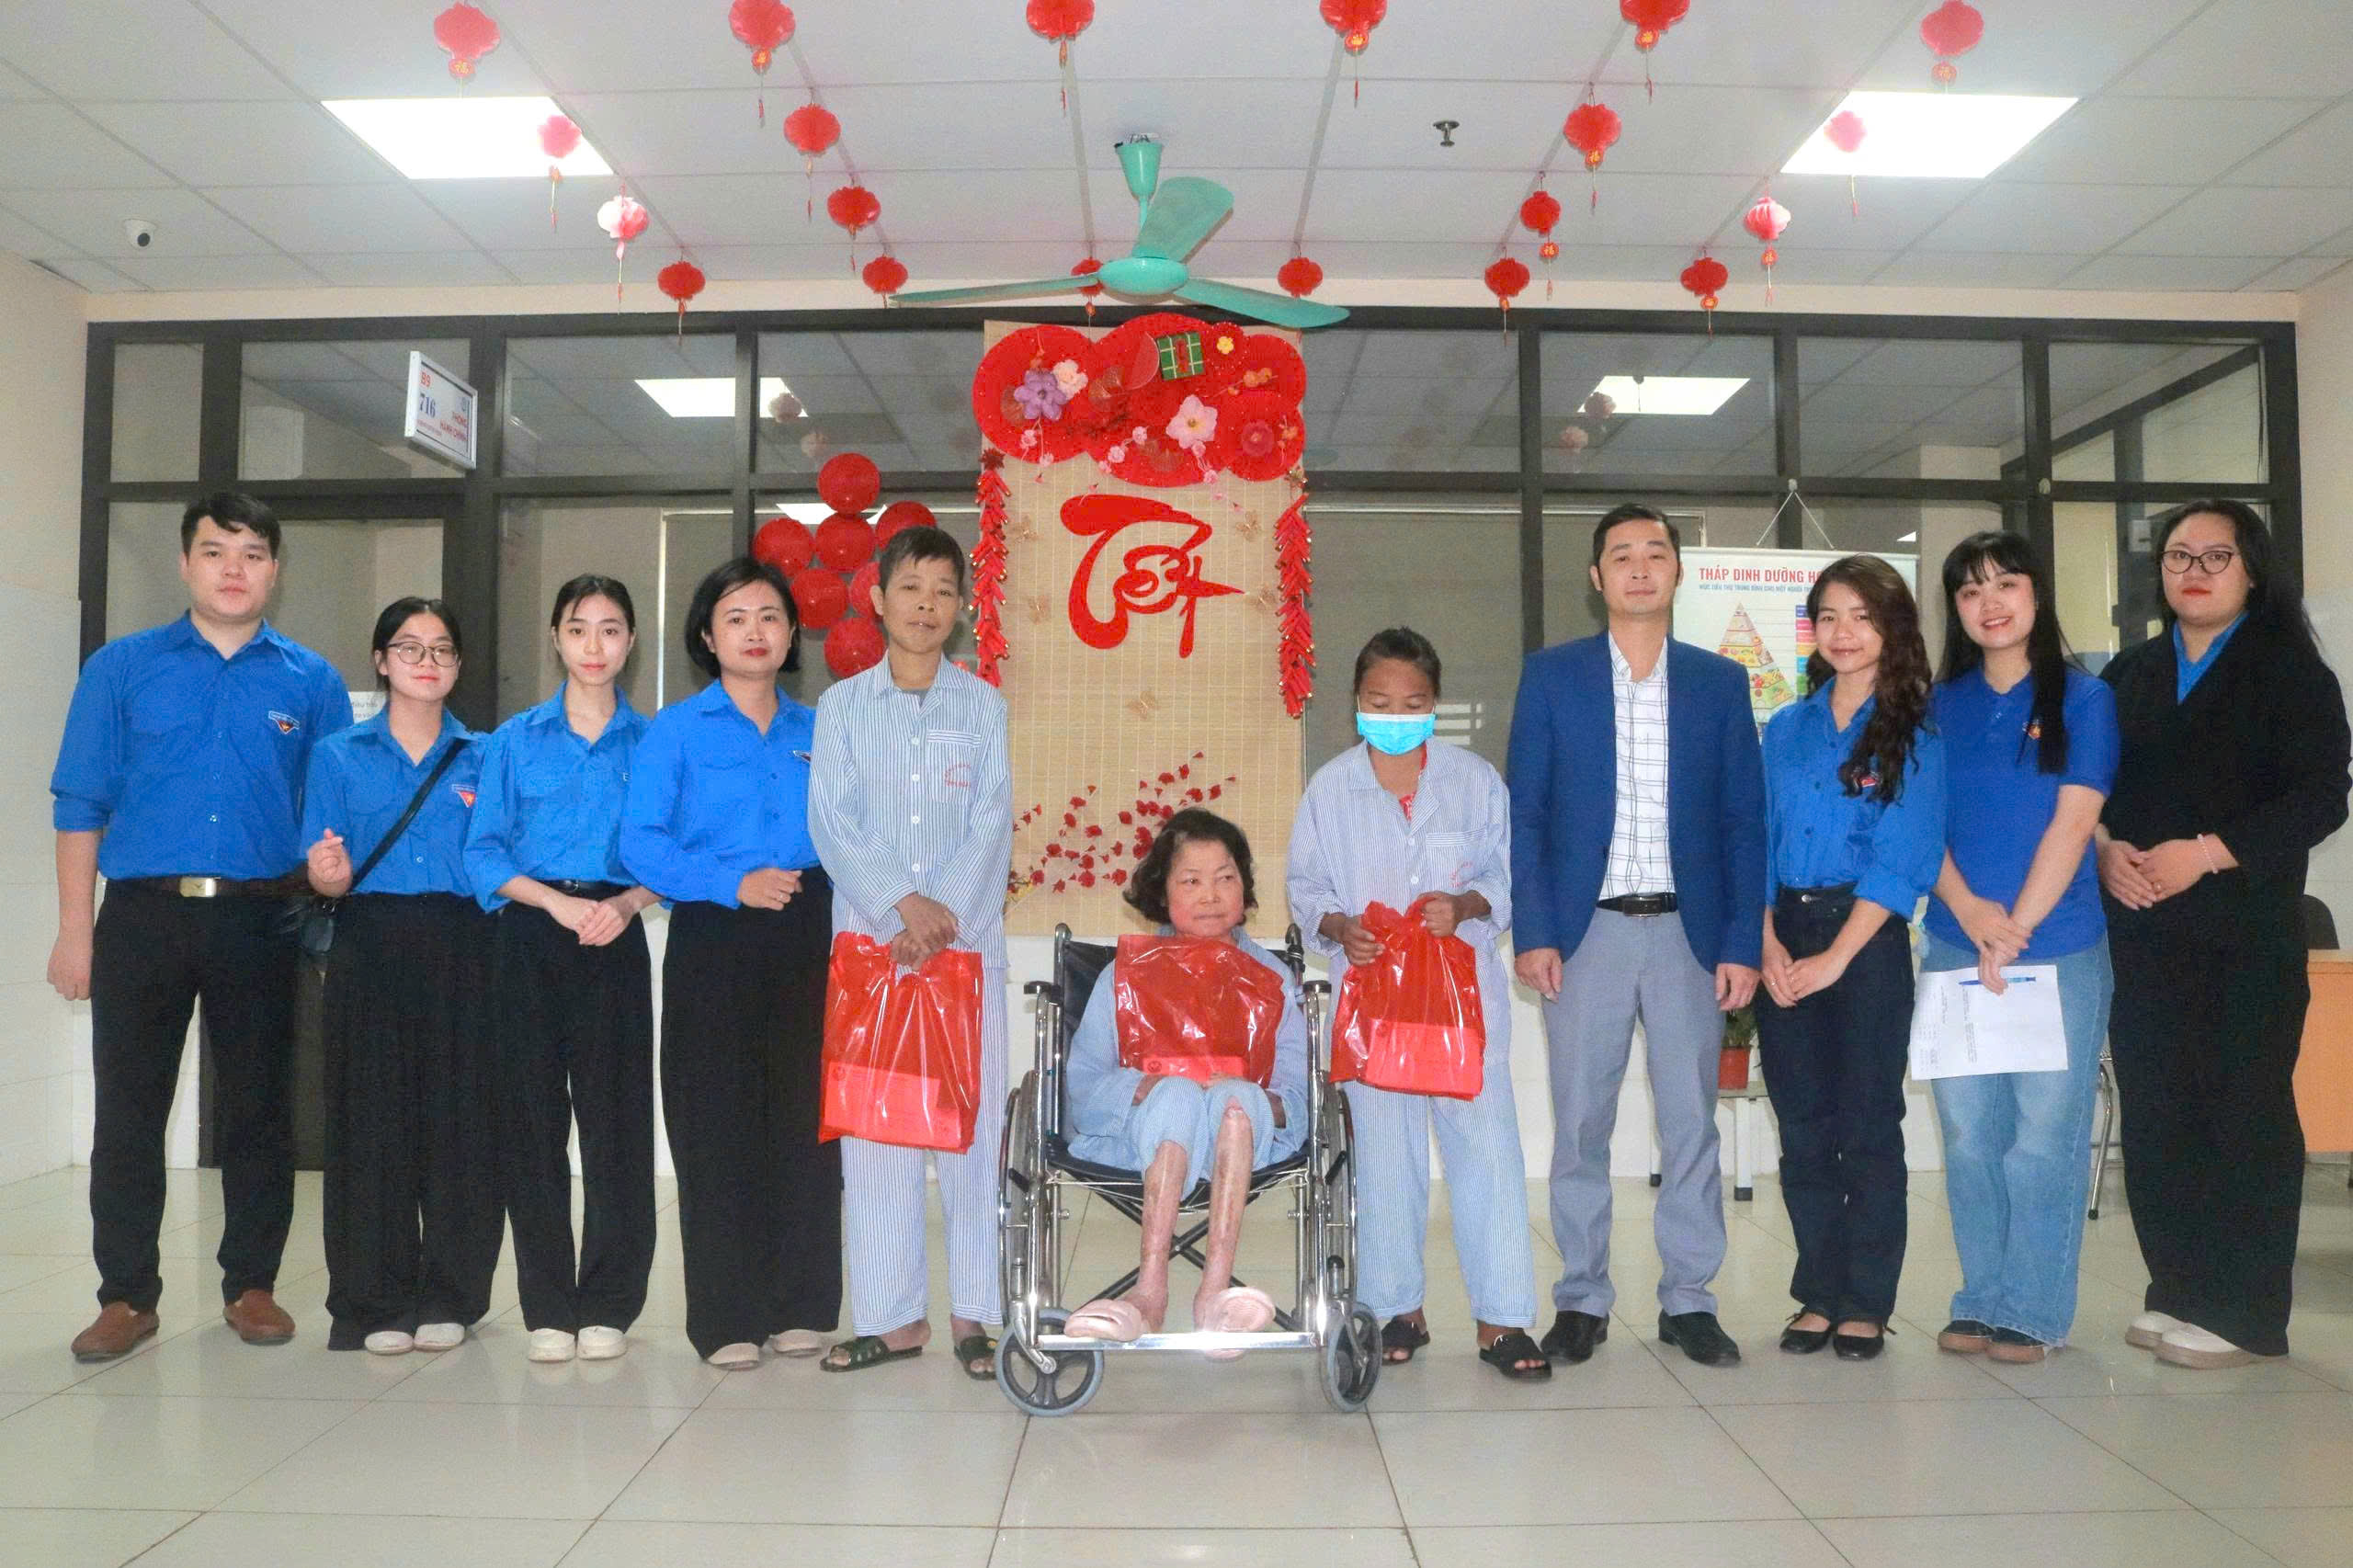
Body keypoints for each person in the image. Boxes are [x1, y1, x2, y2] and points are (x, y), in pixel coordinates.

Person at [49, 493, 351, 1361]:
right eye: (216, 551)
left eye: (253, 554)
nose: (233, 569)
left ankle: (252, 1286)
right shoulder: (122, 668)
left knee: (260, 1110)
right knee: (129, 1111)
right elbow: (80, 804)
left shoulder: (312, 681)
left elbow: (334, 810)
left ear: (275, 571)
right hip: (142, 916)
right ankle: (125, 1297)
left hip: (262, 918)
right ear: (186, 564)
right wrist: (75, 930)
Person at [1505, 504, 1766, 1370]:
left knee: (1692, 1123)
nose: (1641, 567)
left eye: (1657, 552)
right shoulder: (1552, 677)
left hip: (1690, 932)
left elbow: (1744, 821)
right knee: (1581, 1124)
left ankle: (1689, 1300)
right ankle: (1581, 1299)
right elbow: (1526, 814)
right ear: (1598, 578)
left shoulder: (1719, 683)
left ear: (1678, 572)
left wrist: (1741, 941)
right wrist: (1535, 929)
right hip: (1589, 934)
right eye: (1622, 555)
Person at [2095, 500, 2349, 1369]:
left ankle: (2245, 1314)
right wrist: (2105, 851)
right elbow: (2086, 786)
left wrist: (2207, 853)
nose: (2194, 571)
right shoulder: (2130, 672)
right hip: (2142, 934)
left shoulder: (2289, 672)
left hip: (2244, 935)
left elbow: (2322, 798)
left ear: (2251, 570)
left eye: (2216, 556)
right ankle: (2179, 1290)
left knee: (2243, 1115)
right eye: (2178, 556)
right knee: (2158, 1112)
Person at [1290, 628, 1546, 1380]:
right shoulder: (1330, 789)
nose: (1395, 715)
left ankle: (1503, 1320)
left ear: (1435, 704)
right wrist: (1340, 927)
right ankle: (1396, 1308)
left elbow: (1508, 876)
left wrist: (1464, 905)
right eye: (1379, 701)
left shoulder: (1474, 781)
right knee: (1384, 1157)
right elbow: (1306, 890)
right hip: (1374, 1001)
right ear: (1355, 703)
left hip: (1461, 1005)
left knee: (1487, 1153)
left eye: (1413, 703)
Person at [621, 558, 839, 1370]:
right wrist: (729, 882)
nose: (755, 631)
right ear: (708, 638)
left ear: (792, 634)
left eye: (770, 616)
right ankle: (726, 1317)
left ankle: (800, 1304)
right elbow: (639, 843)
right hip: (715, 932)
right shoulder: (676, 731)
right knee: (715, 1124)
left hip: (809, 929)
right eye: (736, 617)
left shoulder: (822, 730)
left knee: (805, 1120)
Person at [810, 527, 1012, 1381]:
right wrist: (902, 906)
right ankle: (893, 1320)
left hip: (964, 953)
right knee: (878, 1140)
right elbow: (832, 821)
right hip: (874, 952)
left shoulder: (984, 707)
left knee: (972, 1134)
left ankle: (977, 1314)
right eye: (910, 588)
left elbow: (992, 821)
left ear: (961, 607)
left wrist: (941, 919)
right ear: (878, 598)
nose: (926, 605)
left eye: (943, 590)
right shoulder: (842, 708)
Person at [1924, 532, 2118, 1365]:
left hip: (2059, 948)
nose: (1990, 603)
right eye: (1970, 592)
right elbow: (1918, 826)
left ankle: (2034, 1310)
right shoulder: (1936, 705)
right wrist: (1972, 914)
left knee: (2042, 1139)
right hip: (1952, 945)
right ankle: (1981, 1299)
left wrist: (2015, 929)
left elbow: (2075, 823)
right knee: (1970, 1136)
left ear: (2037, 594)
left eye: (2005, 584)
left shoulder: (2085, 698)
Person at [465, 575, 659, 1364]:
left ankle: (610, 1303)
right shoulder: (514, 740)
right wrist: (553, 903)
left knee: (617, 1127)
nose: (594, 646)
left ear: (630, 642)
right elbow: (483, 851)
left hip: (615, 936)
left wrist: (629, 903)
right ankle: (547, 1304)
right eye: (579, 629)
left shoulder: (654, 743)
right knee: (531, 1124)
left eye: (610, 630)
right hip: (531, 936)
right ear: (556, 638)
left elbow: (674, 851)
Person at [1756, 554, 1945, 1361]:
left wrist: (1835, 957)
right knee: (1803, 1126)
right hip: (1783, 931)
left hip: (1864, 942)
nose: (1843, 632)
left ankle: (1866, 1301)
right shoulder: (1786, 728)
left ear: (1892, 629)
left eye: (1863, 617)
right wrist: (1766, 942)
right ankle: (1818, 1294)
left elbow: (1907, 855)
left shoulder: (1916, 730)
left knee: (1867, 1124)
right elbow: (1755, 841)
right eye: (1829, 616)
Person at [301, 598, 495, 1354]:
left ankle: (451, 1293)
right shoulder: (337, 754)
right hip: (371, 942)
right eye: (409, 647)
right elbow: (324, 870)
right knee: (369, 1122)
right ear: (381, 661)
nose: (427, 661)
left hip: (466, 943)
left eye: (442, 649)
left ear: (458, 666)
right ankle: (373, 1300)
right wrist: (328, 875)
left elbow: (499, 858)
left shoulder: (485, 755)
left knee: (461, 1122)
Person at [1061, 810, 1310, 1346]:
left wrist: (1244, 1092)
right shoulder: (1124, 975)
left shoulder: (1273, 979)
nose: (1211, 895)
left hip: (1245, 1140)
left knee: (1235, 1098)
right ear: (1162, 892)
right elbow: (1083, 1087)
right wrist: (1144, 1087)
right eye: (1191, 881)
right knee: (1173, 1094)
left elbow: (1298, 1097)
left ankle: (1215, 1293)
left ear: (1244, 887)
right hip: (1139, 1140)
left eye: (1225, 878)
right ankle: (1149, 1291)